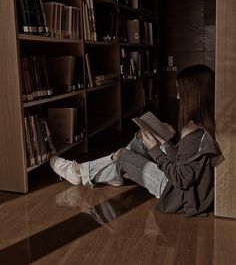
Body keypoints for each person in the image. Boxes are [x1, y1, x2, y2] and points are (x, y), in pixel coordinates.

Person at [50, 64, 222, 217]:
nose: (177, 96)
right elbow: (188, 162)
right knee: (140, 139)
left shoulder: (192, 131)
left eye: (180, 92)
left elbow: (180, 179)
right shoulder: (208, 123)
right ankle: (111, 171)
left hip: (174, 191)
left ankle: (80, 172)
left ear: (193, 95)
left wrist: (155, 149)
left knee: (123, 155)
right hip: (181, 186)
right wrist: (167, 140)